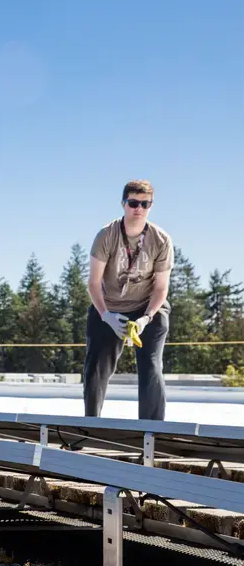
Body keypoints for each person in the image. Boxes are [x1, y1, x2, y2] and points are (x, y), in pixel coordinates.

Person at [84, 179, 173, 421]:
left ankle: (152, 430)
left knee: (151, 367)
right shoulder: (106, 235)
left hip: (148, 307)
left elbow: (161, 287)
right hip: (109, 307)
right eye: (133, 203)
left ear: (151, 206)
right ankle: (91, 425)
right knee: (96, 367)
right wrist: (105, 316)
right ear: (123, 204)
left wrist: (146, 317)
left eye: (145, 204)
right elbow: (93, 283)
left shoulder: (161, 240)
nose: (139, 208)